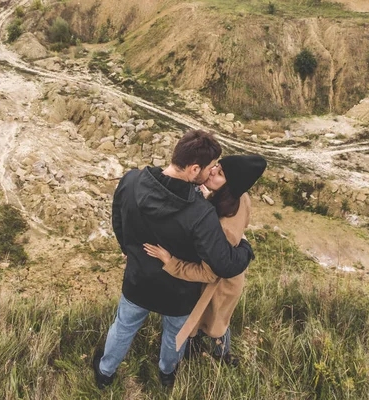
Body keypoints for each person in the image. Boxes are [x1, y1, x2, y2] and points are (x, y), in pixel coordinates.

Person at [92, 130, 255, 389]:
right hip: (179, 292)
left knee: (123, 327)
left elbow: (118, 214)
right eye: (211, 168)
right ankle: (167, 375)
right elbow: (223, 265)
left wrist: (127, 247)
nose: (211, 173)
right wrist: (245, 249)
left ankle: (104, 373)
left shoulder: (132, 180)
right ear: (193, 169)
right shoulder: (201, 213)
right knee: (174, 336)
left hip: (138, 279)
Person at [144, 154, 267, 365]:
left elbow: (208, 272)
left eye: (220, 174)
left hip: (219, 286)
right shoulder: (238, 197)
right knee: (213, 320)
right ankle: (203, 351)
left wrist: (170, 262)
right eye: (216, 167)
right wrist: (207, 196)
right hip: (229, 278)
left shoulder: (223, 228)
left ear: (231, 185)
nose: (212, 172)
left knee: (214, 323)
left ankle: (221, 357)